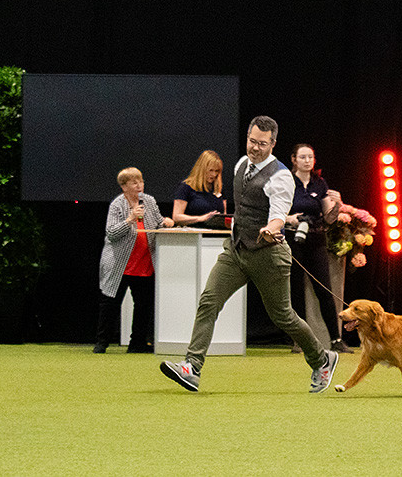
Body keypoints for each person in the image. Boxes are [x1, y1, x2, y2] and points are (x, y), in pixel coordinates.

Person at [160, 116, 338, 393]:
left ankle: (322, 358)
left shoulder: (280, 176)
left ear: (273, 144)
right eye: (251, 141)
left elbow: (279, 212)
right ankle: (192, 367)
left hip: (269, 255)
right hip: (237, 250)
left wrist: (272, 226)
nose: (255, 148)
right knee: (209, 301)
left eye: (262, 144)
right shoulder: (241, 164)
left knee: (283, 316)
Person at [95, 167, 174, 353]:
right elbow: (112, 233)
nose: (140, 185)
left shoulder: (149, 201)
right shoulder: (117, 205)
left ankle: (137, 343)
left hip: (144, 262)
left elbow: (157, 223)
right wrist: (130, 219)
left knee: (143, 305)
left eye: (141, 181)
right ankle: (102, 342)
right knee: (110, 304)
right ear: (124, 186)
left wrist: (166, 222)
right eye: (134, 182)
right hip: (120, 264)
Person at [283, 143, 351, 353]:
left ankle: (335, 340)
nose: (307, 161)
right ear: (294, 159)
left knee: (324, 290)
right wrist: (291, 219)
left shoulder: (319, 183)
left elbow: (329, 218)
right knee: (296, 291)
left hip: (316, 239)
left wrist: (337, 203)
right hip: (293, 239)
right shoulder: (285, 181)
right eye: (302, 157)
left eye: (310, 157)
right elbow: (275, 212)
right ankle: (299, 341)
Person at [172, 150, 227, 228]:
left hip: (216, 235)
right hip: (194, 235)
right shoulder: (186, 187)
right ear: (202, 169)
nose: (214, 174)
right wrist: (201, 218)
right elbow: (176, 217)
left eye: (217, 171)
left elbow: (224, 215)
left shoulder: (219, 188)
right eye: (211, 170)